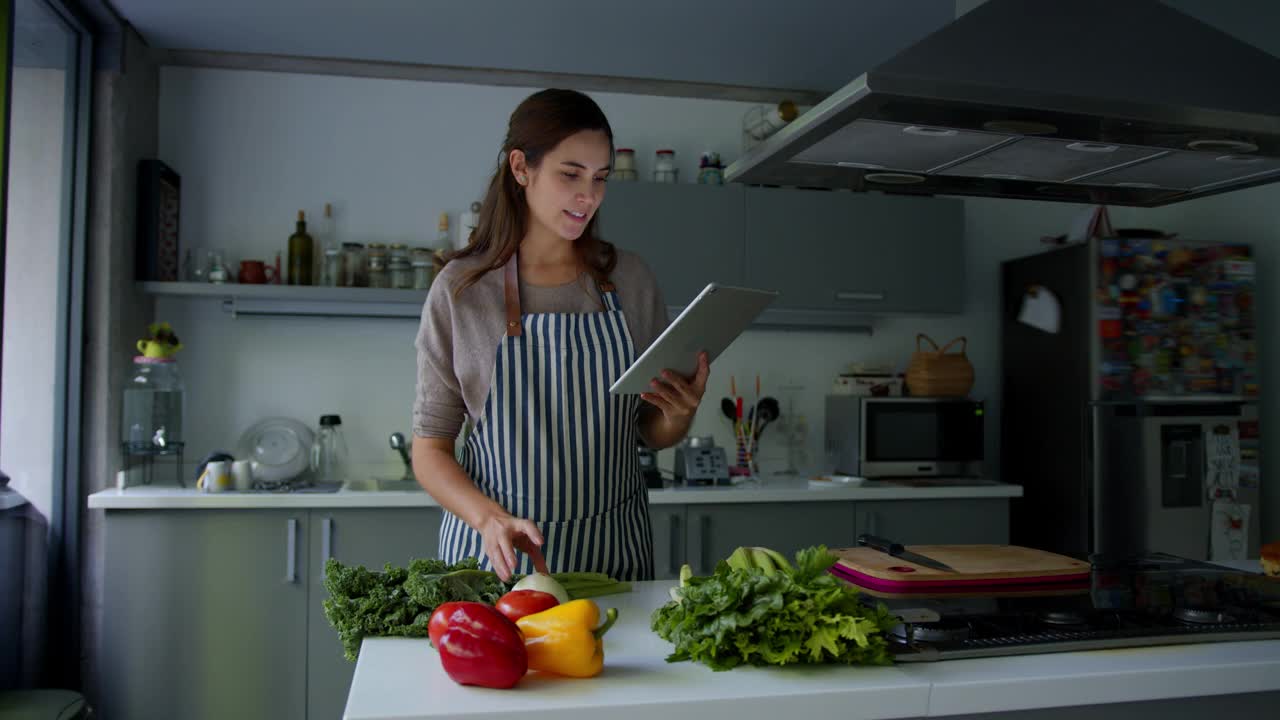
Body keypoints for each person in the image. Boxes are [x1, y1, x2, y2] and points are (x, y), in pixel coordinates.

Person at [412, 88, 709, 582]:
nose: (588, 196)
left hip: (613, 554)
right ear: (521, 168)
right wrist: (488, 517)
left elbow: (650, 431)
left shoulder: (630, 279)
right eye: (570, 174)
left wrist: (679, 415)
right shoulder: (462, 291)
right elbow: (430, 451)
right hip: (497, 561)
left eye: (600, 178)